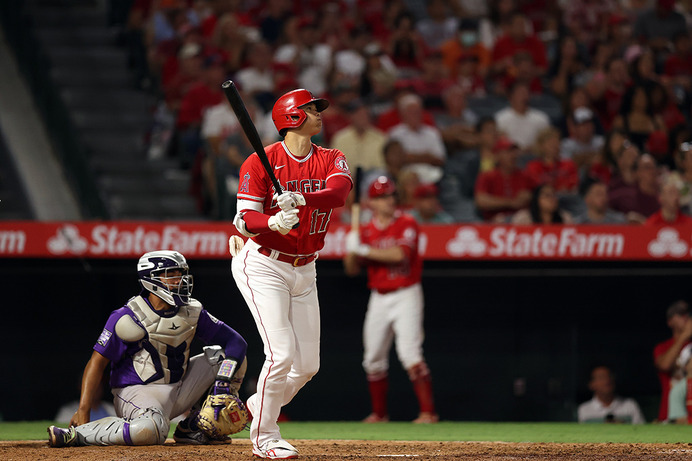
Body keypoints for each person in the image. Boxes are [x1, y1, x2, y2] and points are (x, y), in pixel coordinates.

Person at [230, 88, 352, 459]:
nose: (319, 114)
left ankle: (254, 406)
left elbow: (338, 193)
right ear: (292, 117)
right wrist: (274, 221)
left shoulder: (332, 156)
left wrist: (301, 199)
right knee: (280, 355)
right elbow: (244, 219)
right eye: (311, 109)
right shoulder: (259, 161)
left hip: (306, 268)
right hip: (265, 264)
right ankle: (264, 437)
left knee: (308, 366)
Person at [47, 250, 248, 447]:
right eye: (171, 274)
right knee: (151, 431)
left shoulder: (193, 310)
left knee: (228, 357)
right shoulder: (127, 316)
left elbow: (236, 342)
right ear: (151, 279)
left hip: (179, 388)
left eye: (181, 274)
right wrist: (84, 409)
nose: (179, 280)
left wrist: (222, 382)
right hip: (136, 392)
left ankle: (193, 427)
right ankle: (77, 435)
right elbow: (97, 362)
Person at [343, 176, 438, 424]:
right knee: (373, 358)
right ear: (371, 202)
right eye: (383, 197)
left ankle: (428, 413)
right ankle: (379, 414)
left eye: (391, 195)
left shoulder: (407, 222)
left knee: (410, 354)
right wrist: (351, 250)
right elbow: (351, 269)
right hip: (379, 297)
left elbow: (399, 255)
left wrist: (364, 250)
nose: (389, 200)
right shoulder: (365, 230)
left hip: (406, 293)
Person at [474, 137, 532, 222]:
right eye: (508, 152)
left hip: (522, 221)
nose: (513, 155)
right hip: (493, 221)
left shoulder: (525, 175)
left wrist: (530, 195)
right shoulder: (487, 176)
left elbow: (542, 191)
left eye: (514, 151)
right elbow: (480, 201)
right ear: (497, 155)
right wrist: (511, 202)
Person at [654, 300, 692, 422]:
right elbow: (665, 365)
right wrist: (684, 335)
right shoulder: (662, 347)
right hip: (670, 415)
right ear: (670, 322)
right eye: (681, 314)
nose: (686, 317)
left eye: (688, 314)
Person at [577, 365, 645, 424]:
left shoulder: (630, 405)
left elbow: (641, 431)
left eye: (609, 376)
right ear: (591, 384)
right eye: (601, 377)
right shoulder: (584, 409)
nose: (607, 380)